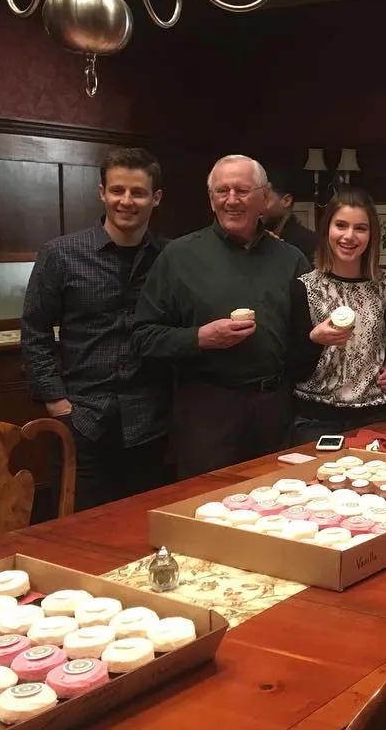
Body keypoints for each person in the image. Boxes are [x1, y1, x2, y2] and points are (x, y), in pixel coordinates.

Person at [132, 154, 311, 477]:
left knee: (281, 499)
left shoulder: (291, 260)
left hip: (274, 410)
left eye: (241, 191)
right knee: (207, 501)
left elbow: (307, 339)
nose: (231, 200)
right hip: (207, 412)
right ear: (210, 199)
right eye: (221, 191)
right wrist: (200, 337)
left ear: (264, 198)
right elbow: (143, 337)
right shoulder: (179, 257)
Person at [21, 148, 172, 511]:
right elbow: (35, 330)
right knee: (79, 525)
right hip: (82, 418)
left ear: (156, 198)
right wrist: (56, 402)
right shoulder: (60, 254)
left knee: (145, 522)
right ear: (102, 193)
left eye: (138, 192)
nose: (126, 201)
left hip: (151, 421)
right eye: (117, 190)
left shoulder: (171, 257)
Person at [290, 187, 386, 443]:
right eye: (341, 225)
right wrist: (314, 340)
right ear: (327, 230)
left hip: (374, 416)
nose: (349, 236)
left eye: (360, 228)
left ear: (371, 235)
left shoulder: (385, 285)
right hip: (316, 419)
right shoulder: (305, 287)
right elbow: (291, 368)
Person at [264, 169, 318, 262]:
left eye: (265, 199)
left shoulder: (310, 244)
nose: (259, 206)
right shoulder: (256, 239)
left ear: (287, 201)